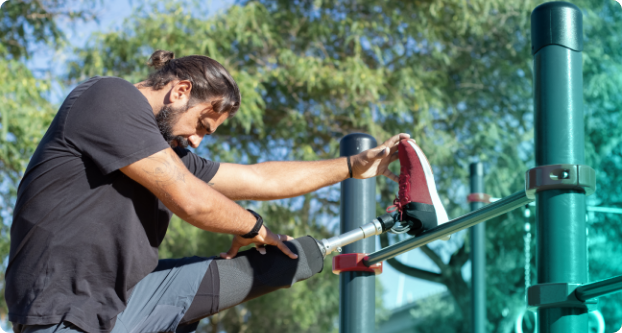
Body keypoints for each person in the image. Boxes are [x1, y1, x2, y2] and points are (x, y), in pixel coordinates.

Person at [5, 50, 410, 333]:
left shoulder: (167, 153)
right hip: (63, 310)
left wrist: (352, 167)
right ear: (180, 91)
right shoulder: (109, 97)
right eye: (201, 125)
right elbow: (190, 200)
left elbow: (259, 179)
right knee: (264, 247)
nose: (198, 141)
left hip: (119, 302)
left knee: (277, 262)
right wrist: (252, 226)